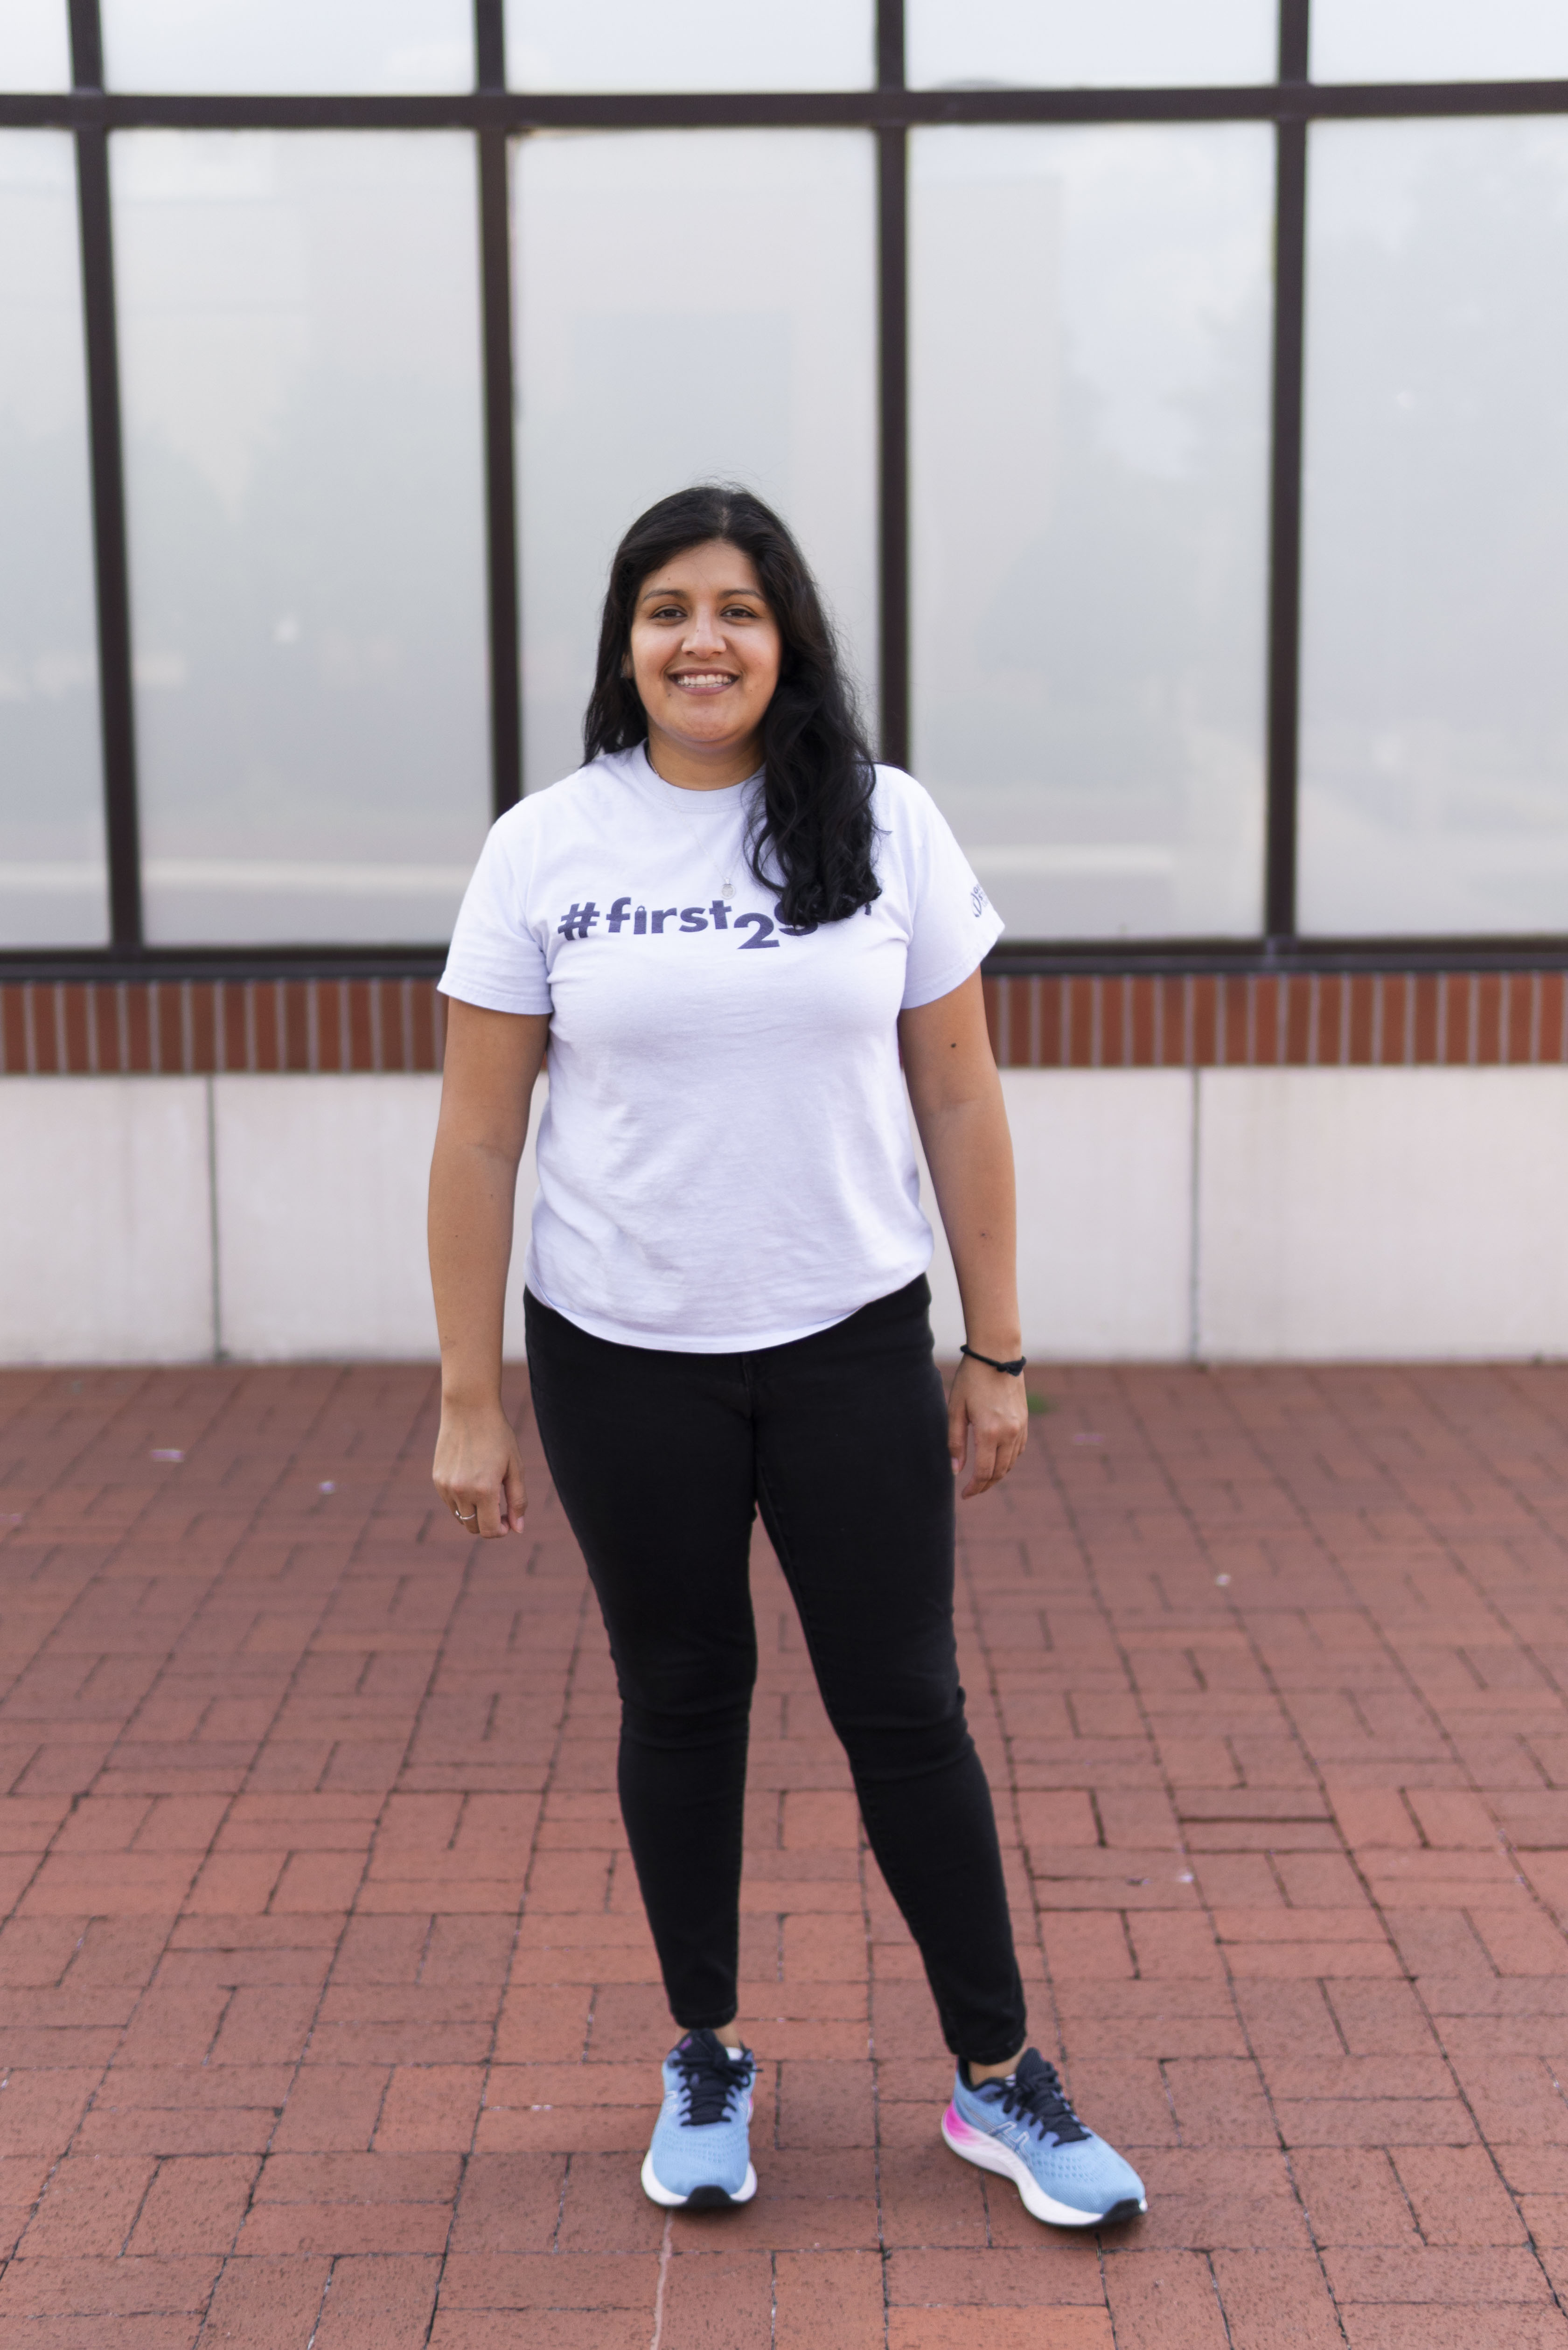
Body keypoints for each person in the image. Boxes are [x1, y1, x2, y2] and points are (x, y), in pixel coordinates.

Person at [427, 485, 1145, 2231]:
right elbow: (474, 1140)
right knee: (683, 1701)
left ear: (787, 636)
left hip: (847, 1342)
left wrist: (998, 1349)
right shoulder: (547, 845)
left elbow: (960, 1091)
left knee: (904, 1709)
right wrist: (468, 1396)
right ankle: (708, 2055)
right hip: (621, 1354)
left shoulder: (883, 825)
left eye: (738, 608)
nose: (702, 639)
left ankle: (997, 2082)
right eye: (668, 607)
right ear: (625, 642)